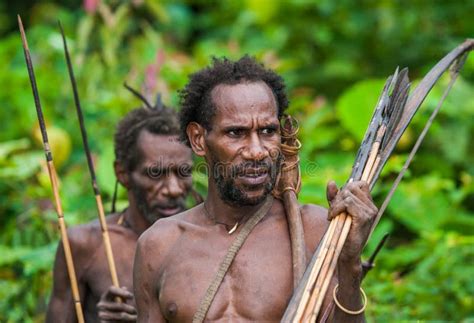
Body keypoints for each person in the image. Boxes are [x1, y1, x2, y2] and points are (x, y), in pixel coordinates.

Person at [133, 56, 378, 322]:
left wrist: (350, 264)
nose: (257, 151)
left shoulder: (316, 230)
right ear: (198, 139)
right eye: (236, 133)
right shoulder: (159, 245)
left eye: (267, 131)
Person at [46, 104, 195, 323]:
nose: (173, 189)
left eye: (184, 172)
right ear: (122, 174)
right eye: (156, 173)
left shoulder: (208, 240)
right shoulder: (86, 245)